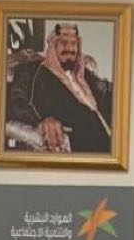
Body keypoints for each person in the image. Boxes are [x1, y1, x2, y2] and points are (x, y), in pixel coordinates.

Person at [6, 23, 113, 154]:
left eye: (73, 43)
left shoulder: (83, 74)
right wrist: (42, 120)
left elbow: (106, 91)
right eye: (64, 42)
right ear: (53, 45)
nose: (70, 48)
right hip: (82, 146)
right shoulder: (31, 72)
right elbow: (16, 103)